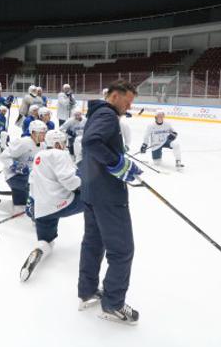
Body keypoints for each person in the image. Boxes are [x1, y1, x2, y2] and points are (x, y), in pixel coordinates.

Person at [78, 79, 142, 325]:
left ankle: (87, 291)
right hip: (107, 196)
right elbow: (92, 142)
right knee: (122, 250)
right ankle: (113, 304)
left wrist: (122, 163)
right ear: (115, 96)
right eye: (127, 101)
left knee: (93, 243)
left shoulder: (96, 113)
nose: (128, 107)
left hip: (92, 191)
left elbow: (96, 146)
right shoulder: (107, 115)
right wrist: (116, 164)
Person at [20, 130, 83, 282]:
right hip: (62, 204)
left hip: (42, 210)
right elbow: (69, 180)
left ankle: (38, 250)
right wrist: (83, 183)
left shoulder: (38, 156)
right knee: (94, 200)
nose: (64, 145)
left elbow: (32, 181)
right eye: (63, 142)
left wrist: (31, 201)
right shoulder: (60, 154)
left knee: (47, 242)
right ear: (56, 143)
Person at [0, 120, 48, 215]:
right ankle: (35, 205)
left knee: (19, 209)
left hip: (27, 177)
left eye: (45, 133)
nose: (44, 135)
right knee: (38, 183)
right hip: (14, 176)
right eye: (42, 133)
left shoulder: (43, 145)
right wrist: (17, 166)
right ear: (34, 133)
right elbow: (4, 156)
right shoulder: (23, 143)